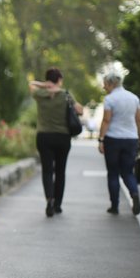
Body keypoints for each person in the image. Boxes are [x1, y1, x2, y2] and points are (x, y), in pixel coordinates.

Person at [30, 68, 83, 217]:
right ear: (59, 79)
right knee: (60, 171)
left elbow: (31, 84)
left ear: (47, 80)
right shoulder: (66, 95)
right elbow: (80, 111)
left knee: (47, 170)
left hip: (44, 137)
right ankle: (58, 205)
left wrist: (43, 85)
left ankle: (49, 200)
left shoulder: (40, 94)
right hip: (63, 138)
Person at [97, 73, 140, 215]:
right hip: (131, 139)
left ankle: (114, 206)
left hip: (113, 139)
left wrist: (101, 139)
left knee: (113, 173)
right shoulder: (134, 98)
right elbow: (139, 121)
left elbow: (106, 120)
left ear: (111, 84)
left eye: (105, 84)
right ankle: (134, 193)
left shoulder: (110, 99)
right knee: (128, 172)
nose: (104, 87)